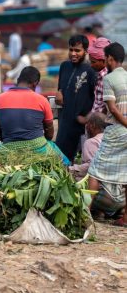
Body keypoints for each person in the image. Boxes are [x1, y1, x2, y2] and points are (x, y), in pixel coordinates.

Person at [0, 66, 69, 164]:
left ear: (18, 80)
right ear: (35, 83)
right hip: (38, 147)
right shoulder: (42, 101)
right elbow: (49, 134)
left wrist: (12, 141)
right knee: (64, 162)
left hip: (8, 147)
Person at [88, 42, 127, 226]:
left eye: (106, 59)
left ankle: (85, 215)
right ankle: (125, 218)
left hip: (117, 131)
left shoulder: (109, 79)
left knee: (95, 171)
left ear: (110, 59)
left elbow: (112, 109)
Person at [55, 35, 96, 162]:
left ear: (86, 51)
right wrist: (59, 92)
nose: (73, 54)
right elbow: (62, 87)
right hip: (64, 122)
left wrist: (88, 118)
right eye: (71, 50)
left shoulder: (91, 70)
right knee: (61, 159)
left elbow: (97, 99)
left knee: (81, 161)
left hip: (81, 125)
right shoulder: (64, 66)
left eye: (77, 51)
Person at [68, 112, 106, 180]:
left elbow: (91, 166)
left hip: (98, 181)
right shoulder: (108, 138)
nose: (86, 127)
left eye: (87, 124)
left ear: (92, 125)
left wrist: (72, 169)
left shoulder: (91, 142)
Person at [88, 37, 111, 114]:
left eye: (93, 62)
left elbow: (108, 106)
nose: (91, 65)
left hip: (100, 123)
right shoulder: (99, 75)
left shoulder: (106, 78)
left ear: (104, 61)